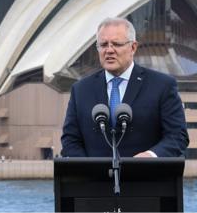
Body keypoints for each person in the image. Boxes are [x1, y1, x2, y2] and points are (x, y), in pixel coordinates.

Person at [61, 17, 189, 157]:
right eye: (103, 45)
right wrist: (88, 169)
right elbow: (70, 140)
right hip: (96, 177)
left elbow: (178, 136)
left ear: (133, 47)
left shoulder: (162, 86)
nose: (109, 50)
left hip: (146, 176)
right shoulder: (81, 90)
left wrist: (151, 156)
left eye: (116, 44)